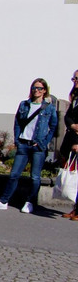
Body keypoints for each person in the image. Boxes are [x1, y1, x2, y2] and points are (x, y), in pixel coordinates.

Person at [0, 78, 58, 214]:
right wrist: (18, 140)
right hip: (24, 143)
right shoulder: (24, 105)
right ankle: (3, 201)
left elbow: (53, 127)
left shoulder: (49, 108)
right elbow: (17, 123)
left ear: (45, 91)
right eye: (34, 88)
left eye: (40, 88)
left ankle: (29, 202)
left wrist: (43, 142)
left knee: (35, 177)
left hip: (38, 146)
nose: (36, 90)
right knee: (14, 174)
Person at [57, 70, 78, 220]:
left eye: (76, 78)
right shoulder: (76, 96)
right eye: (73, 78)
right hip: (71, 137)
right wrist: (72, 125)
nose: (74, 81)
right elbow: (68, 115)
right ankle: (75, 209)